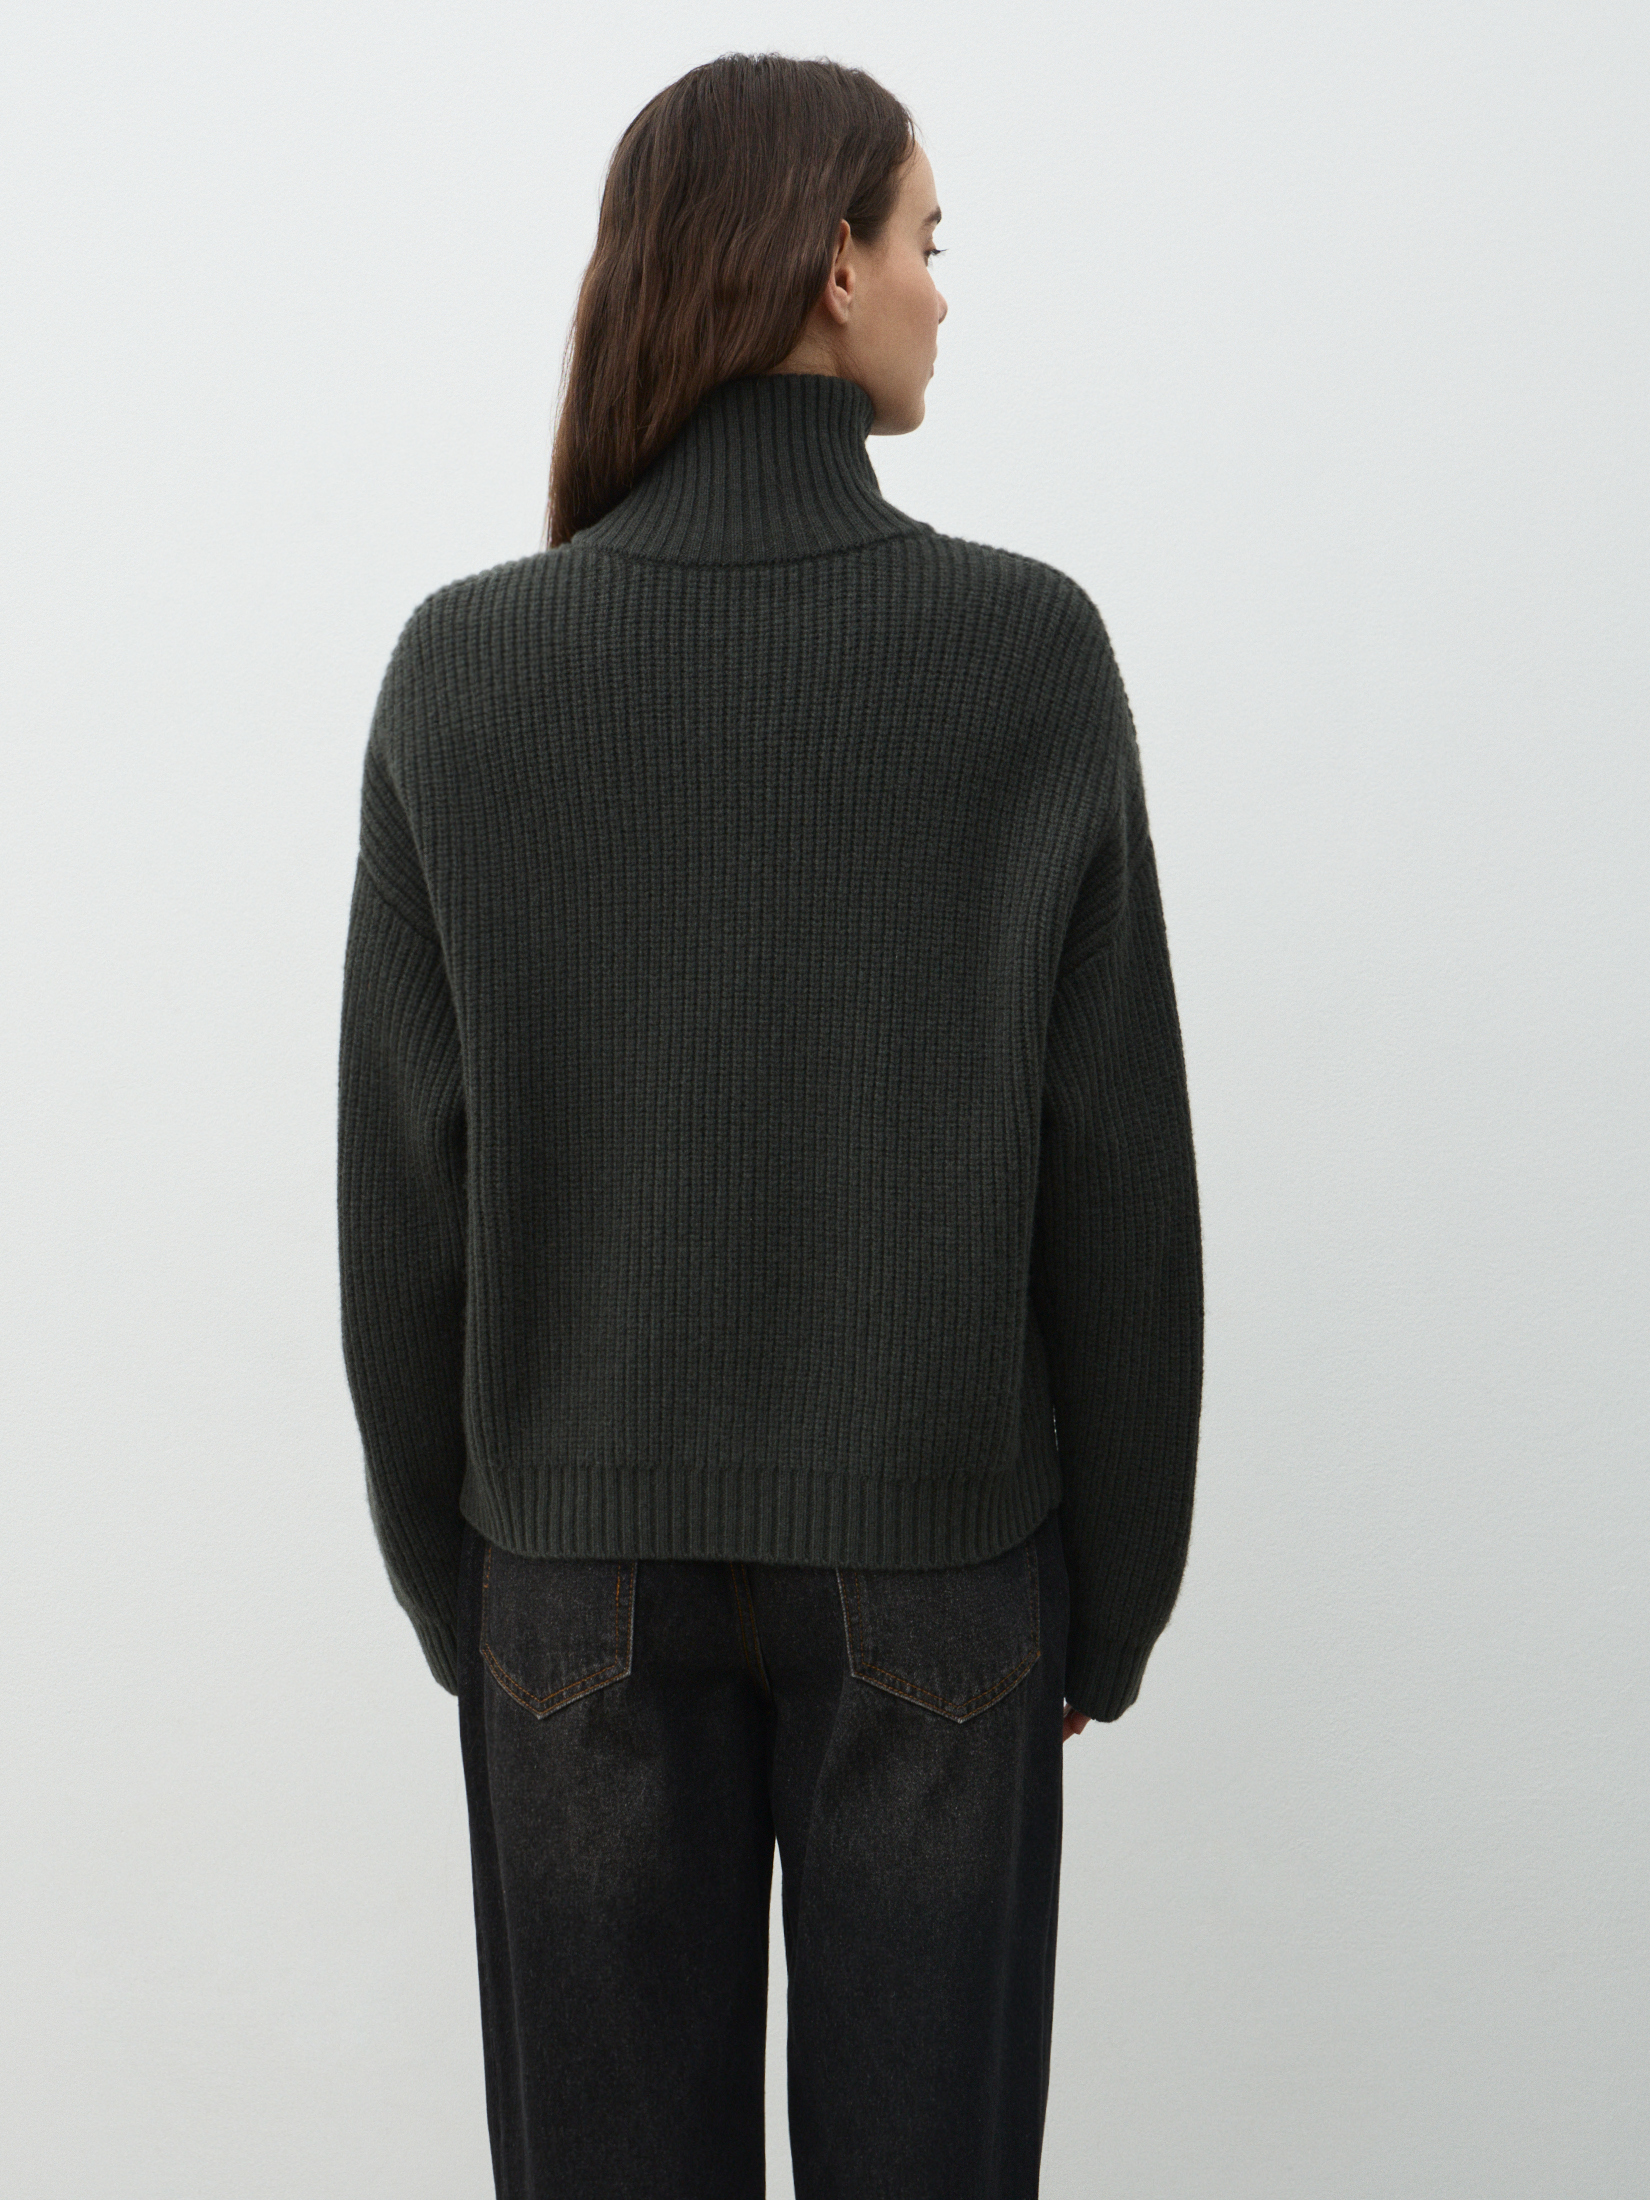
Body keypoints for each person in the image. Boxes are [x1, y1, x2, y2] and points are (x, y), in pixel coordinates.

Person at [336, 50, 1202, 2200]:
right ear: (827, 266)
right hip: (943, 1570)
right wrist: (1110, 1606)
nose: (940, 290)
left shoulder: (465, 671)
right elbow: (1119, 1185)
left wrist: (471, 1593)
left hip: (569, 1588)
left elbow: (402, 1209)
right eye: (924, 239)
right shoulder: (1024, 655)